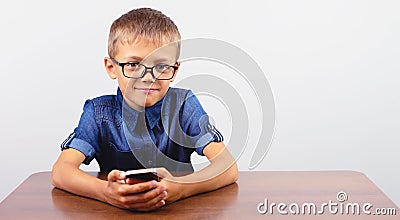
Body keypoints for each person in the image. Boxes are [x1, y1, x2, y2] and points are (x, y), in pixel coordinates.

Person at [51, 7, 238, 212]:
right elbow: (61, 171)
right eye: (133, 64)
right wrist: (106, 192)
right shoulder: (97, 113)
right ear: (111, 67)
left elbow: (227, 168)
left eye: (162, 66)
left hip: (177, 212)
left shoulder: (184, 105)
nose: (148, 77)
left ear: (175, 70)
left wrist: (182, 188)